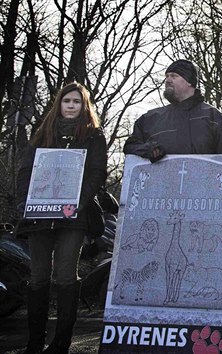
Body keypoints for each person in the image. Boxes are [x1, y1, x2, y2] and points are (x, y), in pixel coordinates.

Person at [16, 82, 108, 353]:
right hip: (39, 215)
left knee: (66, 275)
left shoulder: (93, 136)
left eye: (76, 102)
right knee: (38, 277)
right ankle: (35, 342)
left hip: (73, 216)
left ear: (84, 106)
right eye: (66, 101)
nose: (71, 106)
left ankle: (60, 343)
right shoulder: (43, 132)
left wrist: (77, 204)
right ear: (59, 103)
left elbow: (96, 174)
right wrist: (24, 203)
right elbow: (25, 172)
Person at [123, 59, 222, 159]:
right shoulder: (150, 119)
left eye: (174, 76)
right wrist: (148, 149)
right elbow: (131, 146)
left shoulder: (213, 118)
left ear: (189, 81)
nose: (168, 80)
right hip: (160, 180)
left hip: (203, 180)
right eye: (167, 76)